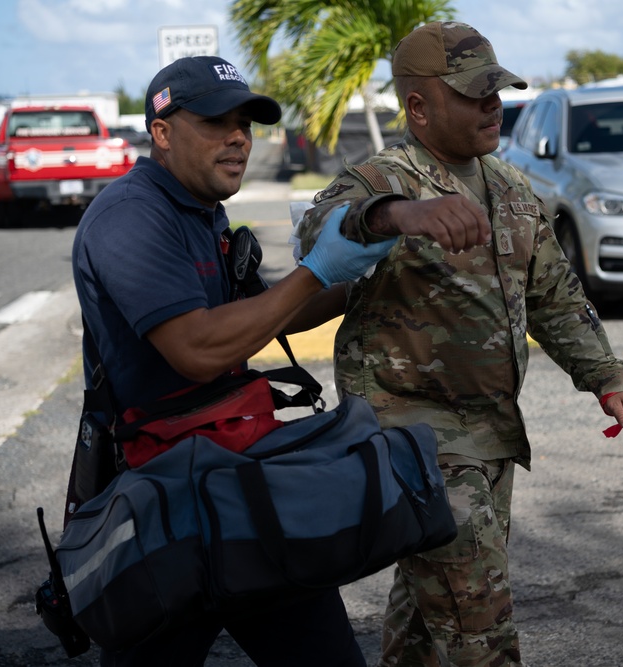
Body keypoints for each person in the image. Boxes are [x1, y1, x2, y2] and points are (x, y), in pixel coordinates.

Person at [295, 22, 623, 667]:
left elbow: (556, 297)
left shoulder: (512, 190)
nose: (494, 104)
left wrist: (608, 378)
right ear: (419, 108)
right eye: (474, 93)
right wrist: (398, 215)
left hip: (489, 433)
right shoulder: (381, 179)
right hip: (414, 441)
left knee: (424, 613)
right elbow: (324, 229)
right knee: (478, 623)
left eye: (497, 90)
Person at [71, 55, 396, 667]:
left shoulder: (204, 211)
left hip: (237, 485)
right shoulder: (131, 216)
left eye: (246, 123)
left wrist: (362, 273)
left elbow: (264, 315)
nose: (239, 137)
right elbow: (198, 349)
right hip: (165, 507)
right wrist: (313, 273)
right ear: (162, 132)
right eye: (219, 122)